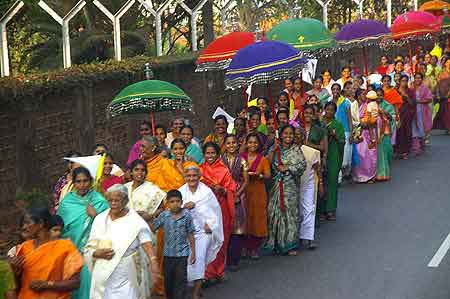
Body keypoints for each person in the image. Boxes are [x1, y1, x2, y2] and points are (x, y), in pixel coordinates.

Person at [85, 184, 160, 299]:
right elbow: (90, 246)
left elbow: (145, 241)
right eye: (110, 200)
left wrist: (153, 261)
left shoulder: (135, 220)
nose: (113, 203)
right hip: (103, 273)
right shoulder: (100, 219)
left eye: (117, 200)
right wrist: (96, 253)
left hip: (127, 274)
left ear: (125, 201)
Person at [140, 135, 185, 296]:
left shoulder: (164, 164)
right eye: (140, 147)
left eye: (143, 147)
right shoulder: (141, 166)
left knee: (159, 253)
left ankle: (163, 287)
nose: (140, 150)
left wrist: (159, 205)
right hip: (141, 217)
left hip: (159, 215)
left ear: (153, 148)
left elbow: (177, 186)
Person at [57, 167, 109, 299]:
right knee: (74, 286)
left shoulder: (99, 201)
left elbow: (109, 226)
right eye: (78, 181)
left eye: (85, 181)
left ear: (91, 181)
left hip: (94, 253)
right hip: (72, 252)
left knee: (90, 285)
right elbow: (60, 229)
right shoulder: (66, 203)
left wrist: (95, 216)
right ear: (73, 183)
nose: (82, 185)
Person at [10, 207, 83, 299]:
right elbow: (18, 285)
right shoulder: (24, 248)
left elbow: (75, 283)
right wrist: (15, 272)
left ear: (41, 224)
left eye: (28, 223)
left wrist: (47, 284)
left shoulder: (65, 247)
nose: (24, 227)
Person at [179, 166, 223, 299]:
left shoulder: (206, 192)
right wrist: (183, 207)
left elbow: (215, 211)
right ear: (185, 177)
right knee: (186, 260)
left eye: (194, 176)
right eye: (189, 176)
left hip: (204, 232)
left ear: (199, 177)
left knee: (199, 258)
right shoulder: (181, 191)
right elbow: (174, 208)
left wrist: (210, 224)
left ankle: (196, 292)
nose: (191, 178)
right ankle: (193, 285)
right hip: (185, 232)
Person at [124, 159, 166, 299]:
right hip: (126, 234)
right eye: (136, 170)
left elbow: (161, 208)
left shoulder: (153, 190)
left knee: (146, 266)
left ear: (146, 173)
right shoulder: (124, 188)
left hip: (146, 230)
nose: (139, 173)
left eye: (143, 170)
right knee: (129, 268)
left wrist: (150, 215)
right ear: (130, 172)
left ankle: (146, 295)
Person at [264, 125, 306, 256]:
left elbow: (302, 165)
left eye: (291, 134)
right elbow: (266, 163)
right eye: (285, 133)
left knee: (290, 214)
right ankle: (276, 243)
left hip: (290, 187)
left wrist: (287, 168)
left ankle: (289, 244)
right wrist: (273, 151)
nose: (288, 136)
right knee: (274, 212)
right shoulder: (275, 148)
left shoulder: (296, 150)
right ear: (281, 135)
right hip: (275, 185)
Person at [200, 142, 236, 282]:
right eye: (207, 153)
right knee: (205, 241)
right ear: (204, 154)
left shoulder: (224, 170)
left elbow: (231, 189)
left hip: (221, 209)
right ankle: (206, 273)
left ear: (218, 154)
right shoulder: (200, 170)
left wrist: (223, 190)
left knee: (220, 240)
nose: (210, 156)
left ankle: (218, 271)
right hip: (204, 211)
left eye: (212, 153)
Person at [150, 189, 195, 299]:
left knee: (180, 282)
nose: (175, 204)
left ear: (181, 202)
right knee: (168, 283)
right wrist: (147, 218)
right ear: (167, 203)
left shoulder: (187, 215)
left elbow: (190, 233)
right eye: (172, 201)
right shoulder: (164, 216)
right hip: (168, 255)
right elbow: (153, 227)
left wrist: (193, 252)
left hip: (182, 255)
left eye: (177, 201)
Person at [240, 133, 271, 259]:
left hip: (258, 192)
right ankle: (243, 248)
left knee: (257, 219)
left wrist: (260, 176)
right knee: (243, 218)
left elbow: (268, 175)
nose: (252, 145)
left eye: (255, 143)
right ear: (246, 144)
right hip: (243, 191)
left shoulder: (262, 159)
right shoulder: (241, 157)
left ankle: (254, 249)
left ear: (259, 145)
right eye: (250, 142)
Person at [221, 134, 249, 270]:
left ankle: (234, 261)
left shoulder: (242, 160)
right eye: (228, 143)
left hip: (238, 194)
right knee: (225, 226)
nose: (231, 145)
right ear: (225, 145)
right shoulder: (220, 160)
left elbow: (246, 181)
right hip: (223, 194)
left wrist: (237, 194)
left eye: (233, 143)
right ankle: (224, 259)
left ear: (237, 144)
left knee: (237, 228)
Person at [322, 102, 345, 221]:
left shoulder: (338, 125)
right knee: (321, 182)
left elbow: (342, 142)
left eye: (332, 110)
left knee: (332, 182)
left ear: (335, 112)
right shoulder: (320, 123)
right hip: (321, 155)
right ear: (324, 109)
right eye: (328, 109)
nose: (329, 112)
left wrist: (335, 136)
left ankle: (330, 210)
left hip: (333, 155)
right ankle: (320, 209)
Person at [353, 90, 378, 183]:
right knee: (358, 154)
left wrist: (365, 122)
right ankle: (358, 175)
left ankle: (369, 175)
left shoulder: (369, 106)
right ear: (358, 96)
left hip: (367, 132)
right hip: (357, 132)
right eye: (363, 94)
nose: (366, 96)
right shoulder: (354, 105)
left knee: (368, 154)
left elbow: (373, 119)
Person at [331, 83, 353, 179]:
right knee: (335, 154)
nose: (335, 91)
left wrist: (351, 133)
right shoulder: (329, 101)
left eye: (337, 89)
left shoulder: (345, 102)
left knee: (345, 154)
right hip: (332, 131)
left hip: (345, 131)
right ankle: (338, 176)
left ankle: (346, 172)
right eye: (333, 89)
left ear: (340, 91)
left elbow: (349, 118)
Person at [375, 88, 395, 181]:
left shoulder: (388, 105)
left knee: (387, 152)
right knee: (378, 153)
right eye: (377, 95)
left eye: (380, 95)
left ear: (383, 96)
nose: (379, 97)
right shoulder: (371, 105)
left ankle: (385, 172)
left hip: (385, 132)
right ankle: (379, 174)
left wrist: (386, 114)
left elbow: (392, 118)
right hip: (375, 132)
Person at [412, 73, 434, 153]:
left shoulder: (425, 88)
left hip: (422, 110)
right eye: (416, 78)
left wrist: (419, 101)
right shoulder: (412, 88)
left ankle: (421, 144)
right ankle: (416, 147)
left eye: (419, 78)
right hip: (413, 111)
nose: (418, 79)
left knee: (422, 127)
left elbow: (429, 99)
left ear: (422, 79)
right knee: (414, 127)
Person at [396, 75, 416, 159]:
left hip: (406, 114)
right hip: (397, 113)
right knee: (397, 132)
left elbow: (413, 104)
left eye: (405, 81)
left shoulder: (410, 91)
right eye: (402, 80)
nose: (404, 83)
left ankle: (405, 151)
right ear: (399, 81)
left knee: (406, 131)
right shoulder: (395, 91)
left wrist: (406, 96)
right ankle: (397, 151)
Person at [433, 57, 450, 134]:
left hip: (448, 96)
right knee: (445, 113)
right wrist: (437, 94)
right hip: (442, 96)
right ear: (445, 63)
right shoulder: (441, 73)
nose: (449, 64)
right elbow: (437, 84)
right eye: (447, 62)